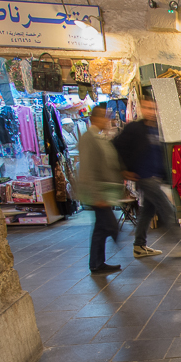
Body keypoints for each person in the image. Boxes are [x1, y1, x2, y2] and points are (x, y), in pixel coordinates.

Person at [113, 96, 181, 258]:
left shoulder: (155, 129)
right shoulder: (134, 129)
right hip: (144, 177)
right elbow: (116, 145)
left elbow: (157, 154)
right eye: (148, 109)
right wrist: (125, 169)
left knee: (147, 212)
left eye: (153, 109)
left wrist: (163, 176)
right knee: (166, 208)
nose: (151, 112)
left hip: (155, 177)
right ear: (141, 110)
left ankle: (139, 246)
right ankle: (180, 246)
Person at [76, 104, 123, 274]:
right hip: (97, 193)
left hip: (104, 191)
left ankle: (97, 263)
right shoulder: (89, 138)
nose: (107, 120)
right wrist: (97, 196)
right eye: (104, 116)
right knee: (109, 226)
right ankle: (101, 260)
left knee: (101, 227)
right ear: (94, 118)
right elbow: (88, 168)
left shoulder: (98, 137)